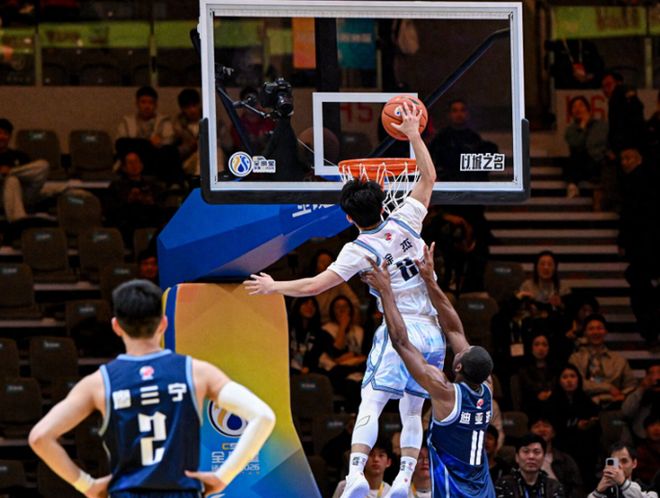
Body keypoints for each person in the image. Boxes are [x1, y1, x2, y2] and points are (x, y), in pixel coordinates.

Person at [245, 102, 457, 498]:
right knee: (413, 409)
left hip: (401, 330)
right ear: (383, 201)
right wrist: (413, 133)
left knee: (372, 402)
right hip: (433, 332)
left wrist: (275, 286)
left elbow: (314, 286)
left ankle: (357, 474)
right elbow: (428, 175)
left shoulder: (358, 250)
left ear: (348, 218)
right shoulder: (407, 218)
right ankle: (403, 480)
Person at [29, 279, 275, 497]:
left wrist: (87, 485)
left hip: (127, 492)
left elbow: (40, 437)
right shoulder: (196, 371)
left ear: (116, 326)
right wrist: (223, 477)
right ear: (163, 323)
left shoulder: (99, 382)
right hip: (181, 491)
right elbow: (263, 416)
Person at [362, 244, 493, 497]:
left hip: (455, 491)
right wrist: (429, 280)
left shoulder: (446, 393)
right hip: (483, 488)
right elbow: (454, 330)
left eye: (462, 353)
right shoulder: (487, 386)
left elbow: (401, 342)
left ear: (458, 366)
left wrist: (386, 291)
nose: (459, 349)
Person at [617, 147, 660, 347]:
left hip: (644, 246)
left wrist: (623, 241)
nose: (625, 162)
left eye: (629, 158)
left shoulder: (636, 183)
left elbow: (630, 216)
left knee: (639, 285)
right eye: (622, 159)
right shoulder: (641, 182)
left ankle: (650, 330)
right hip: (645, 246)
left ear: (639, 159)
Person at [116, 86, 183, 186]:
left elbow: (170, 140)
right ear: (137, 104)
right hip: (134, 157)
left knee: (170, 151)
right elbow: (120, 143)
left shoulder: (164, 121)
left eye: (151, 103)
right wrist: (147, 143)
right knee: (125, 144)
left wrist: (158, 143)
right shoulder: (127, 121)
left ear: (155, 105)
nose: (147, 106)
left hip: (154, 159)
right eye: (143, 102)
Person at [548, 363, 601, 488]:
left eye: (572, 376)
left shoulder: (586, 399)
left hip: (585, 443)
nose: (569, 380)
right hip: (561, 444)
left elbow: (596, 424)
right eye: (565, 377)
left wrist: (590, 423)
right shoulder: (552, 402)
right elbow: (555, 428)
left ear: (578, 379)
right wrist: (576, 427)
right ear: (559, 381)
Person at [569, 314, 637, 407]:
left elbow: (631, 385)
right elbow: (577, 383)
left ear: (606, 332)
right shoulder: (575, 358)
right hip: (584, 405)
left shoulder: (619, 360)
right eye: (591, 329)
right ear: (585, 333)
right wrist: (608, 387)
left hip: (614, 405)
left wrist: (623, 395)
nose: (595, 332)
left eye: (599, 328)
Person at [0, 117, 49, 223]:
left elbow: (33, 177)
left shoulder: (20, 155)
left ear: (10, 137)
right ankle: (19, 222)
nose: (1, 137)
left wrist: (10, 172)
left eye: (5, 134)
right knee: (12, 181)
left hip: (24, 193)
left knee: (43, 165)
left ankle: (10, 172)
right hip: (2, 195)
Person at [563, 95, 608, 201]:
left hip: (598, 161)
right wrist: (583, 127)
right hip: (582, 163)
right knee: (571, 160)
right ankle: (572, 187)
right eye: (574, 107)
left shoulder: (600, 126)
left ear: (588, 108)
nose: (578, 109)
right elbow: (577, 145)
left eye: (581, 106)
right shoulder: (570, 130)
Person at [494, 433, 565, 498]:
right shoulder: (504, 484)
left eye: (536, 452)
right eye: (526, 451)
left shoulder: (554, 486)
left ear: (543, 457)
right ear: (517, 457)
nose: (531, 456)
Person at [529, 415, 584, 498]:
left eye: (546, 426)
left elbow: (577, 489)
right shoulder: (522, 459)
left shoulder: (565, 460)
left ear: (553, 433)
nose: (541, 429)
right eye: (536, 426)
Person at [588, 443, 658, 498]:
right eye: (615, 462)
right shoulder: (601, 490)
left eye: (624, 461)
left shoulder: (648, 490)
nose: (620, 466)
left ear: (634, 463)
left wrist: (623, 484)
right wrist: (598, 492)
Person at [601, 71, 645, 156]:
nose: (605, 89)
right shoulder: (614, 103)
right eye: (603, 87)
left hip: (630, 149)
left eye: (609, 85)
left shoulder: (620, 98)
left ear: (619, 83)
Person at [518, 333, 556, 415]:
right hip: (531, 407)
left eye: (544, 345)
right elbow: (527, 391)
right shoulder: (524, 370)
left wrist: (550, 394)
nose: (541, 348)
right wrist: (537, 394)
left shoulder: (555, 368)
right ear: (531, 348)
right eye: (537, 344)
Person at [621, 365, 660, 441]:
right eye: (651, 373)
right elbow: (625, 413)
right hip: (641, 439)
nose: (656, 377)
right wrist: (642, 388)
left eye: (659, 372)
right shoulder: (639, 393)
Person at [288, 296, 324, 375]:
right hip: (287, 370)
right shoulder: (287, 328)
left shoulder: (318, 333)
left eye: (313, 304)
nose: (309, 307)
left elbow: (315, 355)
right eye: (305, 303)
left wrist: (308, 367)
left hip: (308, 372)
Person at [636, 414, 660, 487]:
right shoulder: (641, 451)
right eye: (652, 425)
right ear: (645, 430)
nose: (656, 429)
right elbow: (641, 476)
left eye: (659, 425)